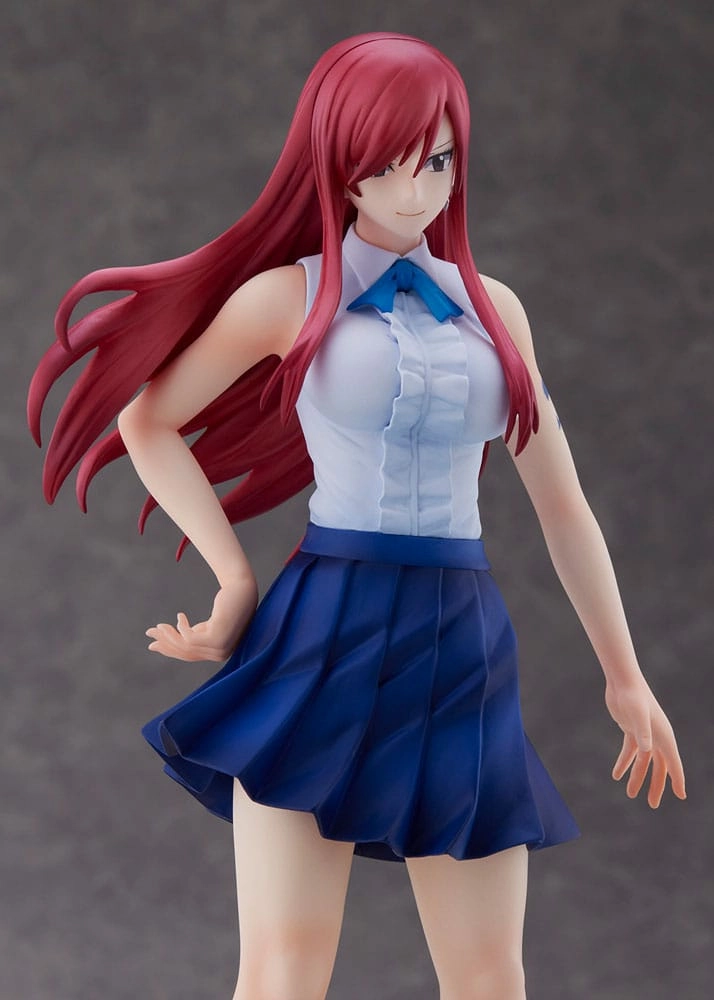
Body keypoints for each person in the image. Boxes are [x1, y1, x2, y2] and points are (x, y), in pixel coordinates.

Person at [29, 32, 685, 1000]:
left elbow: (564, 506)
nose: (416, 192)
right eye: (386, 166)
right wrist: (233, 575)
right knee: (284, 965)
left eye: (438, 161)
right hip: (321, 631)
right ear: (338, 165)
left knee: (490, 975)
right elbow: (148, 419)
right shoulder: (288, 298)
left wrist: (624, 675)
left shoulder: (496, 312)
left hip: (459, 642)